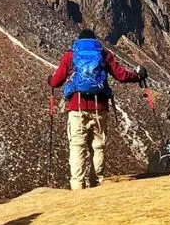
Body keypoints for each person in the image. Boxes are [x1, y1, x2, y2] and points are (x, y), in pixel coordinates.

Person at [48, 29, 144, 190]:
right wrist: (137, 75)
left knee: (77, 147)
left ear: (78, 41)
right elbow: (121, 75)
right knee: (98, 147)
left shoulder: (70, 56)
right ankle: (96, 184)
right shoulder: (104, 54)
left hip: (77, 108)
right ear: (94, 40)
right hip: (99, 107)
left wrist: (50, 79)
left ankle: (77, 186)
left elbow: (56, 81)